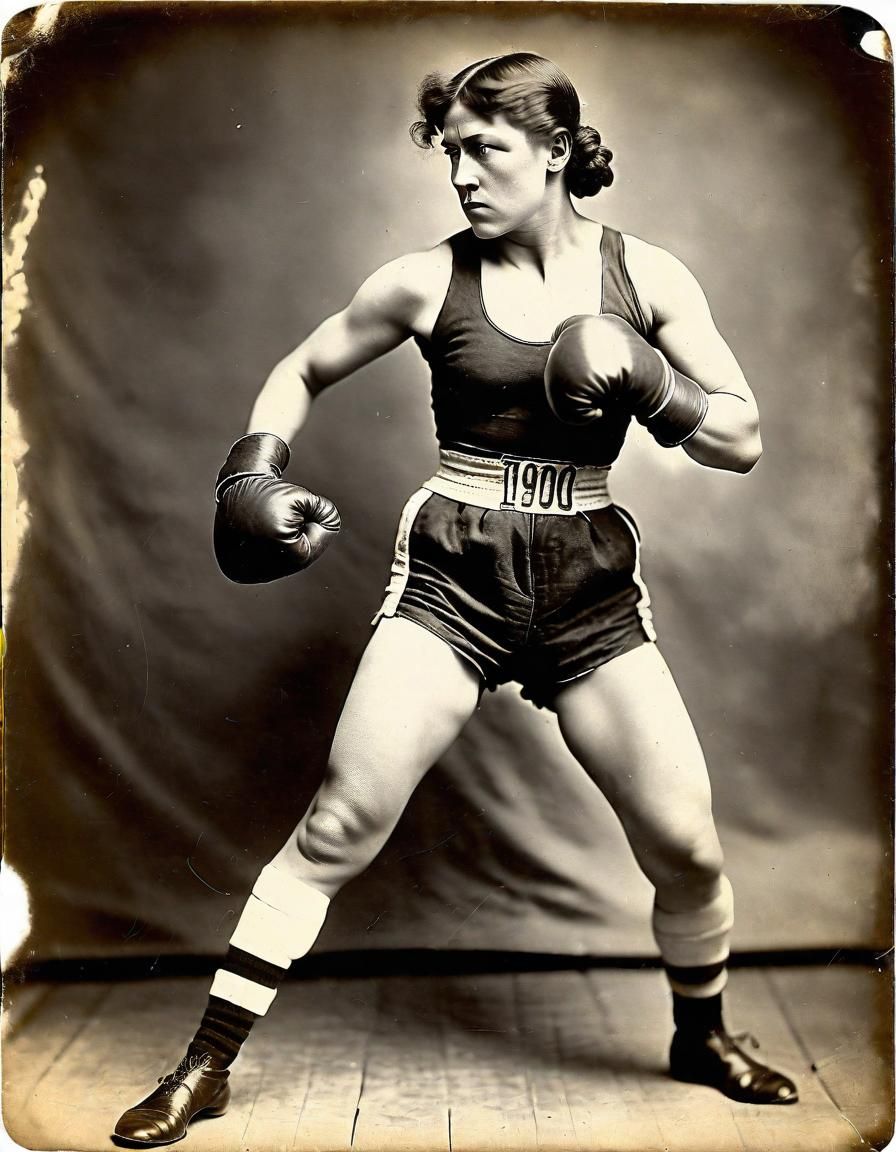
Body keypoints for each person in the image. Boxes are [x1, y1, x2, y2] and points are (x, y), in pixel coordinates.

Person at [113, 52, 798, 1147]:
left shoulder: (649, 277)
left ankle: (700, 1033)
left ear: (558, 151)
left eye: (487, 151)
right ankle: (206, 1064)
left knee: (687, 850)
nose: (463, 177)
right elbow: (300, 365)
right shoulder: (425, 280)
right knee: (339, 819)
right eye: (452, 153)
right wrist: (252, 470)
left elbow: (744, 439)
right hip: (454, 574)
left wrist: (651, 383)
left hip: (584, 582)